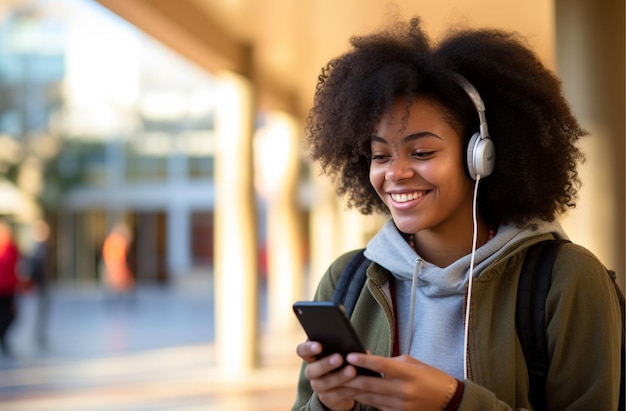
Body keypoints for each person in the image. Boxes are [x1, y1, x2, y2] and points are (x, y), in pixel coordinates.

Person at [293, 17, 622, 411]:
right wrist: (329, 405)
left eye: (422, 152)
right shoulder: (347, 280)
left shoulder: (566, 279)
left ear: (480, 157)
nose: (395, 173)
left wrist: (455, 402)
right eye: (380, 155)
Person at [0, 220, 22, 356]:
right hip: (2, 288)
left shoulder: (12, 248)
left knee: (10, 315)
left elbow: (17, 266)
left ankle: (3, 337)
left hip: (9, 288)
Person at [101, 223, 135, 301]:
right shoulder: (114, 243)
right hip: (116, 271)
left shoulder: (117, 243)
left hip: (118, 271)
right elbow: (114, 261)